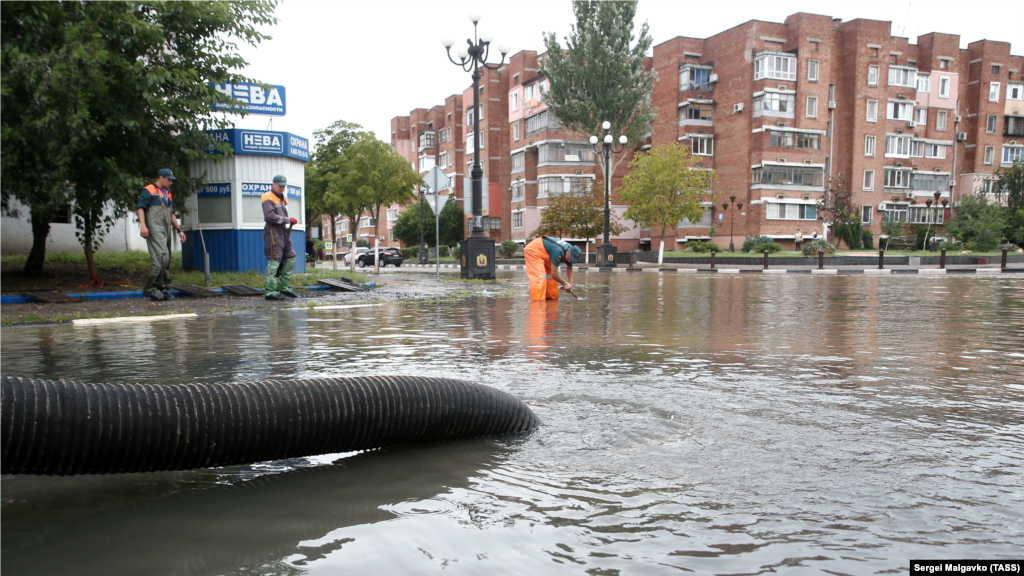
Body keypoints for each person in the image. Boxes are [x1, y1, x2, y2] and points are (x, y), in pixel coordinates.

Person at [137, 168, 186, 301]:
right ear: (161, 178)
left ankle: (161, 287)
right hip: (154, 228)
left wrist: (179, 230)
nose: (171, 182)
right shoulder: (148, 191)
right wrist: (143, 226)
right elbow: (140, 208)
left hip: (166, 229)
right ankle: (150, 288)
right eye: (169, 180)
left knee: (166, 259)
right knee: (161, 257)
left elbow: (171, 213)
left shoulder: (168, 193)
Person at [263, 175, 298, 300]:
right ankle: (270, 291)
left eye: (283, 186)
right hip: (273, 232)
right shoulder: (268, 197)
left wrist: (288, 221)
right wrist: (288, 219)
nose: (282, 188)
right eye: (280, 186)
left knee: (291, 257)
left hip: (283, 231)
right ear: (273, 184)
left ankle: (283, 286)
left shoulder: (281, 197)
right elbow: (269, 216)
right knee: (274, 260)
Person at [524, 236, 581, 301]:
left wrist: (570, 285)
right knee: (540, 277)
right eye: (570, 258)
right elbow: (554, 273)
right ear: (568, 251)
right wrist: (565, 283)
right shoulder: (558, 251)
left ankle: (550, 301)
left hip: (546, 253)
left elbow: (570, 268)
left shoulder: (571, 251)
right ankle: (537, 303)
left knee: (550, 278)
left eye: (572, 260)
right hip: (533, 250)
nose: (569, 261)